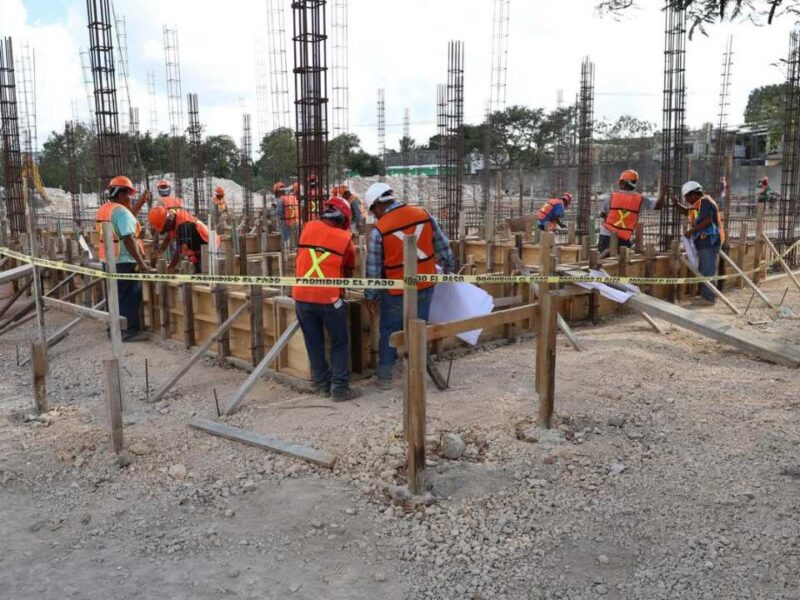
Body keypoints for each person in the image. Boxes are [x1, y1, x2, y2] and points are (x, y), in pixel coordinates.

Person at [364, 182, 456, 390]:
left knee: (389, 330)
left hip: (397, 290)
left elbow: (373, 268)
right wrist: (449, 266)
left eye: (373, 211)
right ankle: (417, 371)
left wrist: (371, 295)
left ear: (378, 206)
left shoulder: (380, 229)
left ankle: (386, 377)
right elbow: (442, 243)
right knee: (419, 326)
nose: (375, 216)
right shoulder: (422, 214)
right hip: (425, 283)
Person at [292, 197, 361, 401]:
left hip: (301, 296)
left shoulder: (307, 227)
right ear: (343, 219)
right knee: (339, 342)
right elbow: (348, 270)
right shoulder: (346, 238)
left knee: (314, 343)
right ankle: (339, 389)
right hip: (329, 299)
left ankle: (322, 386)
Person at [95, 176, 154, 341]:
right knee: (129, 297)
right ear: (120, 195)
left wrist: (141, 203)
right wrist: (142, 263)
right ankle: (127, 331)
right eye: (129, 194)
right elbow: (128, 239)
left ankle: (114, 329)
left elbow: (127, 218)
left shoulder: (106, 209)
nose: (131, 197)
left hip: (109, 259)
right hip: (124, 261)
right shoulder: (120, 212)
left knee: (115, 296)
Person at [673, 180, 725, 304]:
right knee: (704, 268)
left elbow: (707, 220)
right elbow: (687, 212)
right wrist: (676, 204)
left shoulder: (705, 202)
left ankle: (708, 298)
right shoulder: (698, 204)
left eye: (686, 197)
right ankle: (706, 296)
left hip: (709, 240)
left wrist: (691, 231)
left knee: (707, 270)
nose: (686, 200)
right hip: (704, 241)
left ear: (694, 194)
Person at [598, 169, 663, 253]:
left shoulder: (612, 197)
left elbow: (602, 214)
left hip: (607, 235)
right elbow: (658, 206)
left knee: (604, 262)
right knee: (622, 262)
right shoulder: (641, 199)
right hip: (625, 237)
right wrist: (663, 193)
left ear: (622, 183)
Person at [148, 205, 217, 273]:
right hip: (199, 251)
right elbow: (167, 239)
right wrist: (159, 252)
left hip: (210, 250)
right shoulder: (172, 219)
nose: (166, 231)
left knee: (205, 276)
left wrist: (170, 268)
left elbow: (180, 250)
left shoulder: (183, 224)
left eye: (165, 228)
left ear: (167, 222)